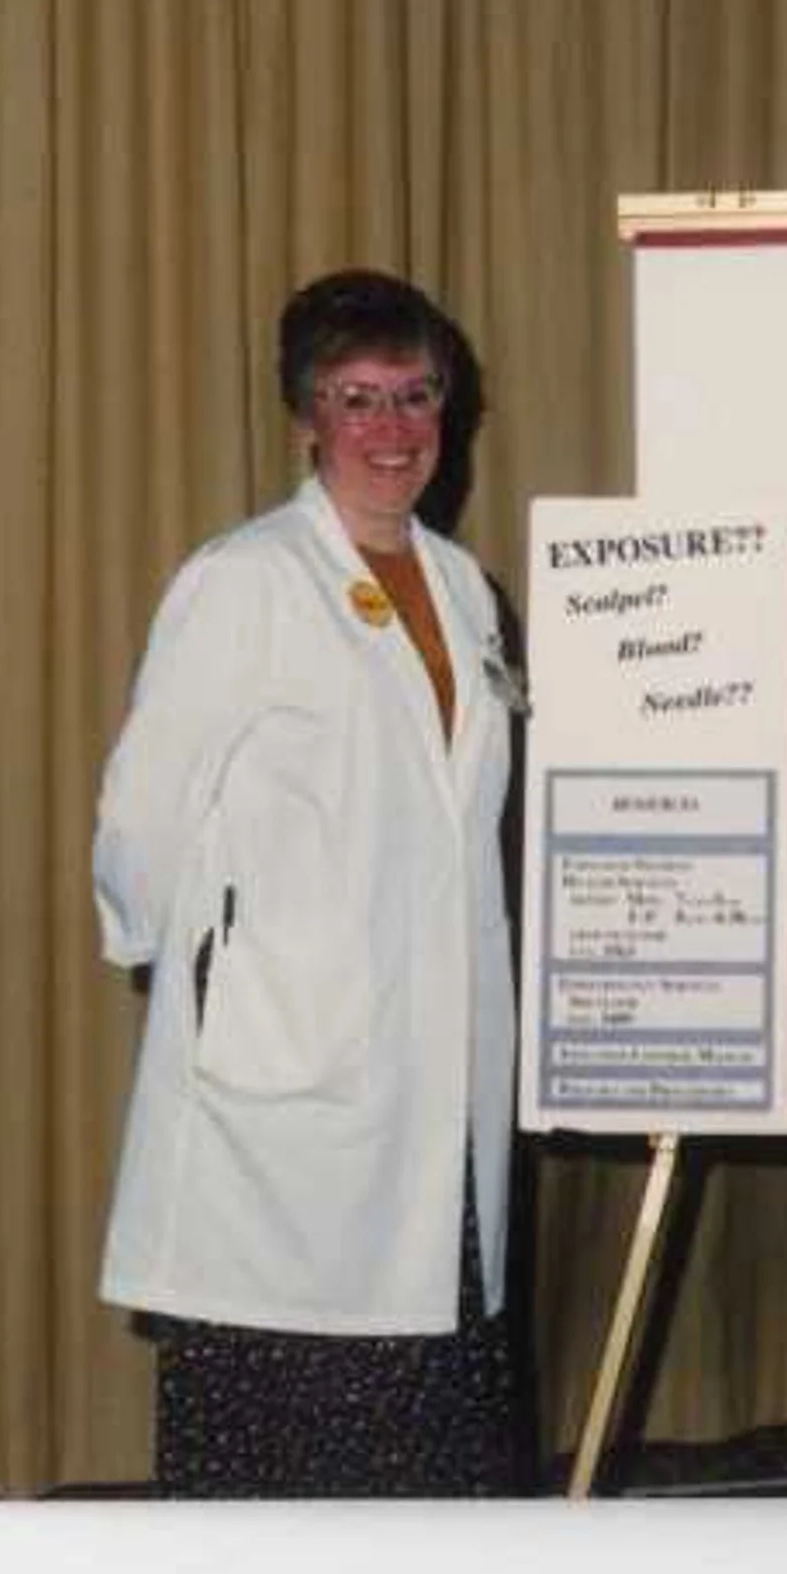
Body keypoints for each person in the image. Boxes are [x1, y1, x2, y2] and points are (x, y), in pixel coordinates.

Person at [93, 269, 526, 1497]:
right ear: (307, 417)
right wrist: (214, 975)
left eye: (416, 395)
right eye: (357, 399)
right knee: (290, 1434)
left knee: (429, 1433)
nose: (393, 430)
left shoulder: (461, 587)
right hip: (289, 1062)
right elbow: (142, 813)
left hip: (437, 1065)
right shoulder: (247, 579)